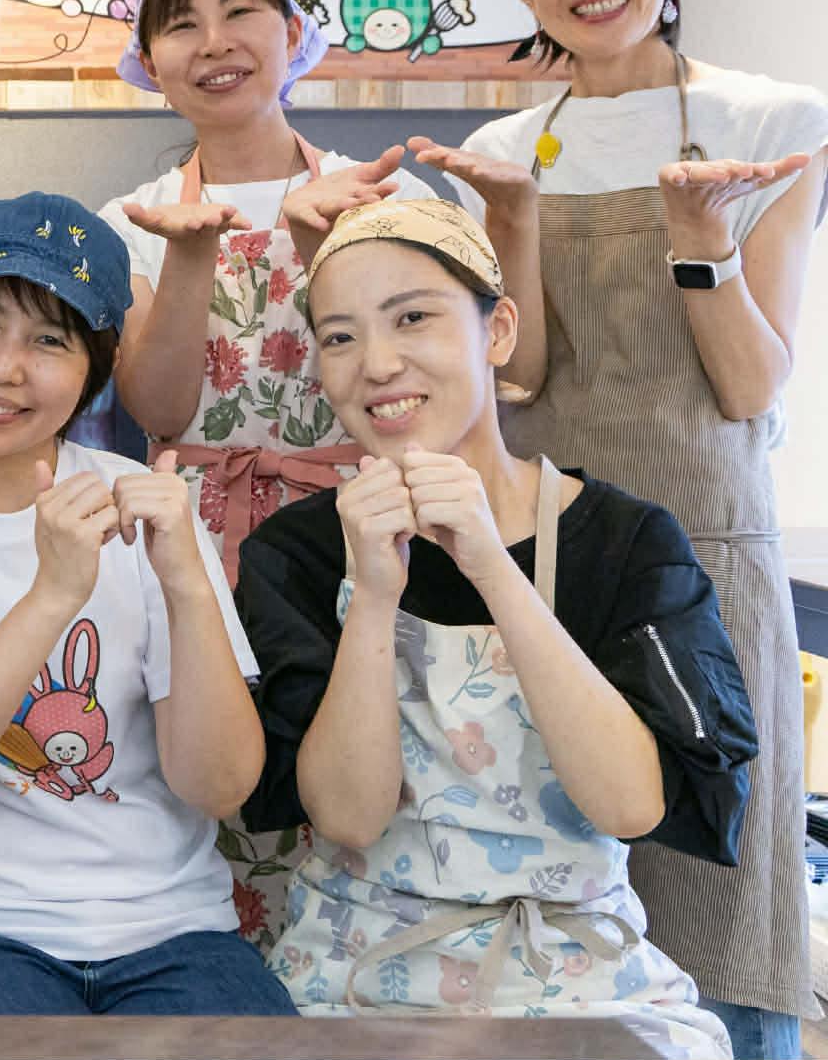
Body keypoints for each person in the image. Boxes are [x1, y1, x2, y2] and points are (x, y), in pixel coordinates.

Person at [451, 0, 828, 1059]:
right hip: (543, 554)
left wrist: (695, 240)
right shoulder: (505, 143)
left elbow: (749, 386)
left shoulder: (770, 120)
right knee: (552, 862)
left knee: (716, 875)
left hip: (706, 550)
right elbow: (519, 376)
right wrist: (509, 219)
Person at [236, 197, 754, 1057]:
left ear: (499, 329)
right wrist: (372, 595)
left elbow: (631, 805)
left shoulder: (626, 541)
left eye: (413, 317)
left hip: (577, 974)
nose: (379, 364)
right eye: (340, 336)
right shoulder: (297, 552)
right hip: (357, 972)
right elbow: (349, 816)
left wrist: (492, 565)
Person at [0, 192, 293, 1017]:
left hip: (173, 930)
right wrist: (53, 594)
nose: (6, 368)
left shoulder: (144, 504)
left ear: (92, 373)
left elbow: (219, 786)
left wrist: (187, 583)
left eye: (50, 340)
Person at [95, 0, 542, 590]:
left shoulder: (384, 194)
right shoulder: (132, 221)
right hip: (194, 541)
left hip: (373, 524)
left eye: (239, 11)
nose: (214, 43)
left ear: (292, 33)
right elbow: (159, 413)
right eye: (182, 25)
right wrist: (189, 255)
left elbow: (459, 373)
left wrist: (321, 244)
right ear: (149, 64)